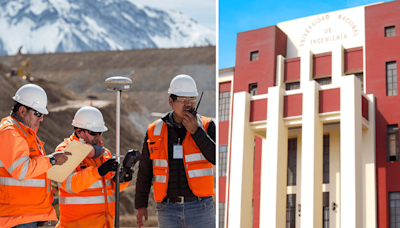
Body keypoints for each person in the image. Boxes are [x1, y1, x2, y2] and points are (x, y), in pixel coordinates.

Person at [135, 74, 216, 228]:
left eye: (192, 99)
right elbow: (145, 170)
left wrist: (196, 132)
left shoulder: (207, 126)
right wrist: (141, 204)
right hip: (167, 210)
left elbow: (216, 157)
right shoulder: (154, 130)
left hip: (200, 208)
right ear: (170, 101)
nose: (188, 104)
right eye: (183, 99)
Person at [0, 84, 71, 228]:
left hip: (26, 216)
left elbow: (34, 175)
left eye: (42, 115)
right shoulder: (10, 132)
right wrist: (52, 160)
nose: (41, 119)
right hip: (16, 218)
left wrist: (40, 212)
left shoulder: (25, 134)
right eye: (37, 114)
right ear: (22, 111)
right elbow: (21, 170)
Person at [55, 106, 132, 228]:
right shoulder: (64, 151)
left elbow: (111, 189)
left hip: (105, 223)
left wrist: (123, 178)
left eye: (99, 133)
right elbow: (70, 185)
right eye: (93, 133)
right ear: (79, 131)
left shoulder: (104, 154)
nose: (97, 136)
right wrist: (98, 172)